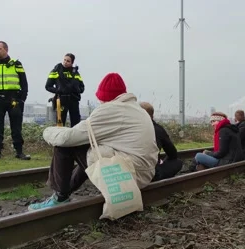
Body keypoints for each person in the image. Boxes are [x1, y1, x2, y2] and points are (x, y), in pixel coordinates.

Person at [28, 73, 159, 211]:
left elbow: (67, 138)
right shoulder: (138, 109)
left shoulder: (110, 110)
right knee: (91, 148)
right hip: (146, 173)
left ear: (105, 97)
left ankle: (60, 196)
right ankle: (66, 192)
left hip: (130, 176)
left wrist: (47, 131)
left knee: (65, 146)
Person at [140, 102, 183, 181]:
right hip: (152, 174)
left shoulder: (130, 129)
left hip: (132, 173)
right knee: (178, 162)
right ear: (152, 116)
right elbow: (173, 154)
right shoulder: (158, 129)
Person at [45, 53, 85, 127]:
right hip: (61, 100)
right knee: (60, 123)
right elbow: (48, 86)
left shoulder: (75, 73)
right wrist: (59, 90)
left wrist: (77, 90)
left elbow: (82, 87)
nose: (65, 62)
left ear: (72, 63)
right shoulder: (56, 71)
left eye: (68, 61)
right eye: (64, 60)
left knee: (76, 123)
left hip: (74, 100)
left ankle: (75, 138)